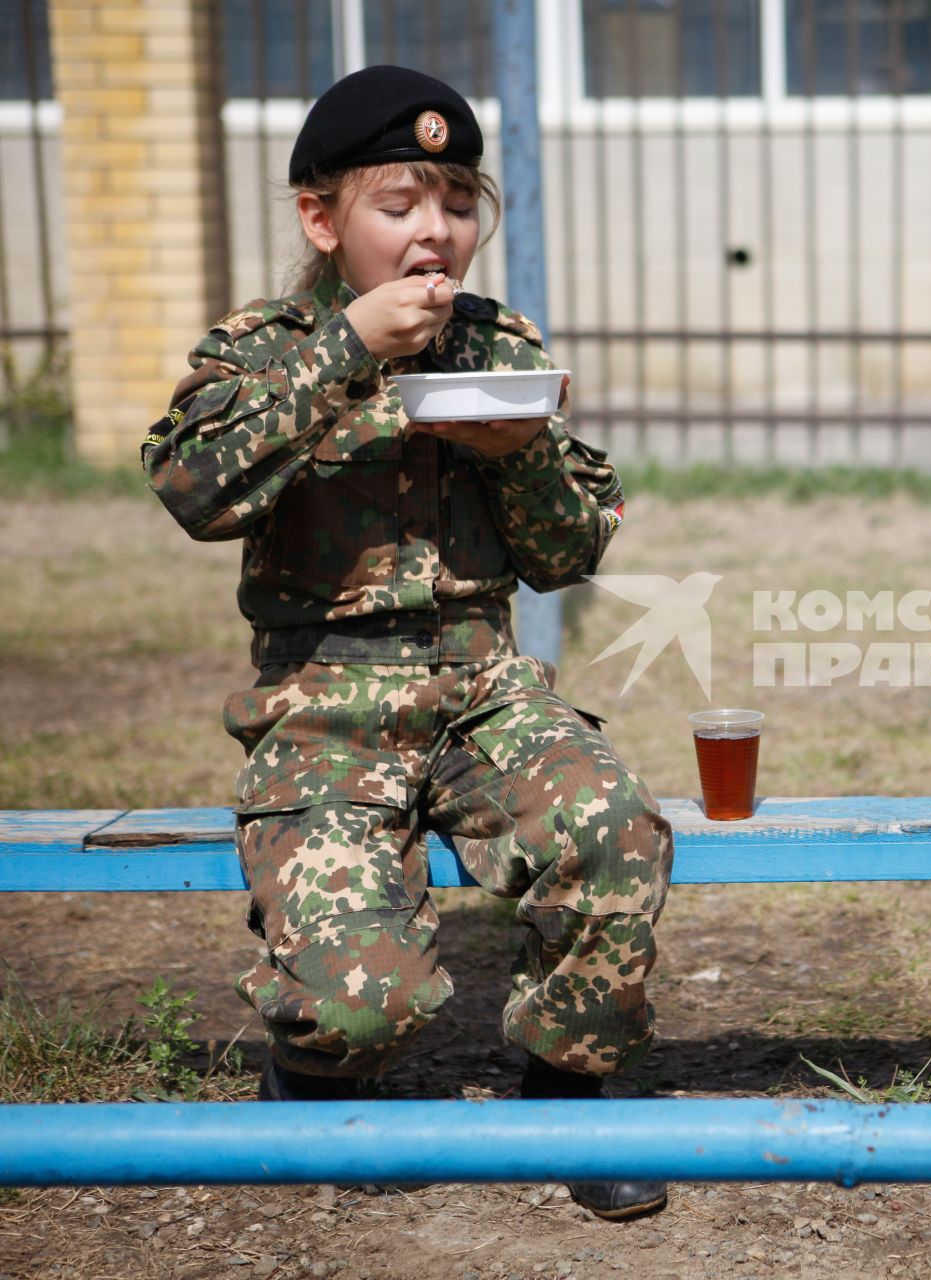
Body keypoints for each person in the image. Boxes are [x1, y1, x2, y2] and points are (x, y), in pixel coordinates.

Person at [141, 66, 672, 1221]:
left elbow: (574, 548)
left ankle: (569, 1090)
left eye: (457, 200)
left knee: (612, 822)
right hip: (324, 705)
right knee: (364, 1006)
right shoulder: (258, 348)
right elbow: (192, 488)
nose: (435, 230)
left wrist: (520, 447)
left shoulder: (499, 340)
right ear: (322, 220)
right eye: (399, 203)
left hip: (485, 692)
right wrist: (344, 352)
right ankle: (317, 1067)